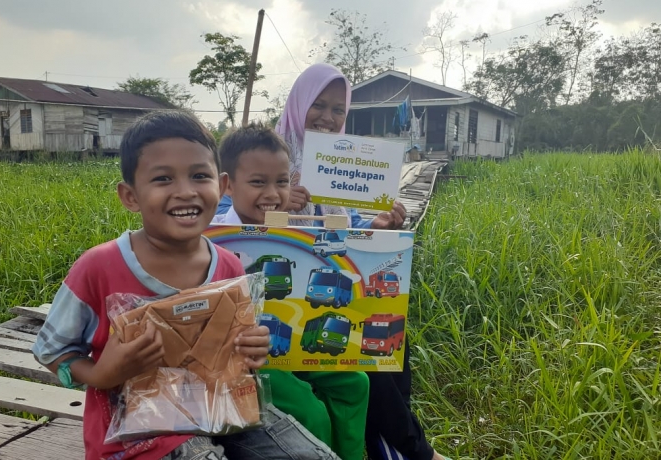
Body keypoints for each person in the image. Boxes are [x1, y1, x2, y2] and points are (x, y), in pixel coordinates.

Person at [31, 110, 340, 460]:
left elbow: (239, 356)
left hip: (224, 413)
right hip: (138, 431)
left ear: (221, 185)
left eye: (199, 175)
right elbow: (52, 352)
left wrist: (252, 349)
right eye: (163, 179)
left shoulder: (228, 265)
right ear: (130, 196)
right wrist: (103, 374)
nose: (185, 192)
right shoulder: (98, 268)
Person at [273, 63, 448, 460]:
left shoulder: (336, 162)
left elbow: (348, 223)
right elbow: (231, 220)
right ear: (299, 104)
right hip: (283, 307)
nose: (328, 117)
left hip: (333, 288)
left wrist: (378, 223)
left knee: (390, 335)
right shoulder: (269, 155)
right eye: (318, 105)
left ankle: (389, 446)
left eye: (338, 109)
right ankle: (418, 453)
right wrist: (280, 203)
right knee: (366, 353)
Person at [212, 122, 370, 460]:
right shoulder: (217, 238)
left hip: (293, 339)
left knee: (356, 383)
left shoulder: (295, 232)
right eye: (258, 182)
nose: (272, 193)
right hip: (247, 353)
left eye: (281, 182)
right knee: (310, 411)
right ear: (227, 186)